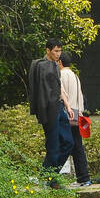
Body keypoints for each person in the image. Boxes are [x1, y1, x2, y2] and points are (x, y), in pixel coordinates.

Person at [28, 39, 67, 179]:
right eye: (56, 51)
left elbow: (58, 88)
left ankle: (50, 174)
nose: (58, 54)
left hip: (59, 106)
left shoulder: (55, 65)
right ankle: (49, 177)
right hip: (49, 109)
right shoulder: (40, 65)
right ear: (48, 50)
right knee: (53, 146)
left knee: (68, 142)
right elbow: (38, 90)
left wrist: (66, 105)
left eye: (60, 51)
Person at [56, 50, 91, 187]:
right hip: (78, 114)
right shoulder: (75, 76)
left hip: (67, 113)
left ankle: (51, 175)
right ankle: (84, 177)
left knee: (64, 144)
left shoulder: (61, 74)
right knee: (77, 146)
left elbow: (61, 95)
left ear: (60, 62)